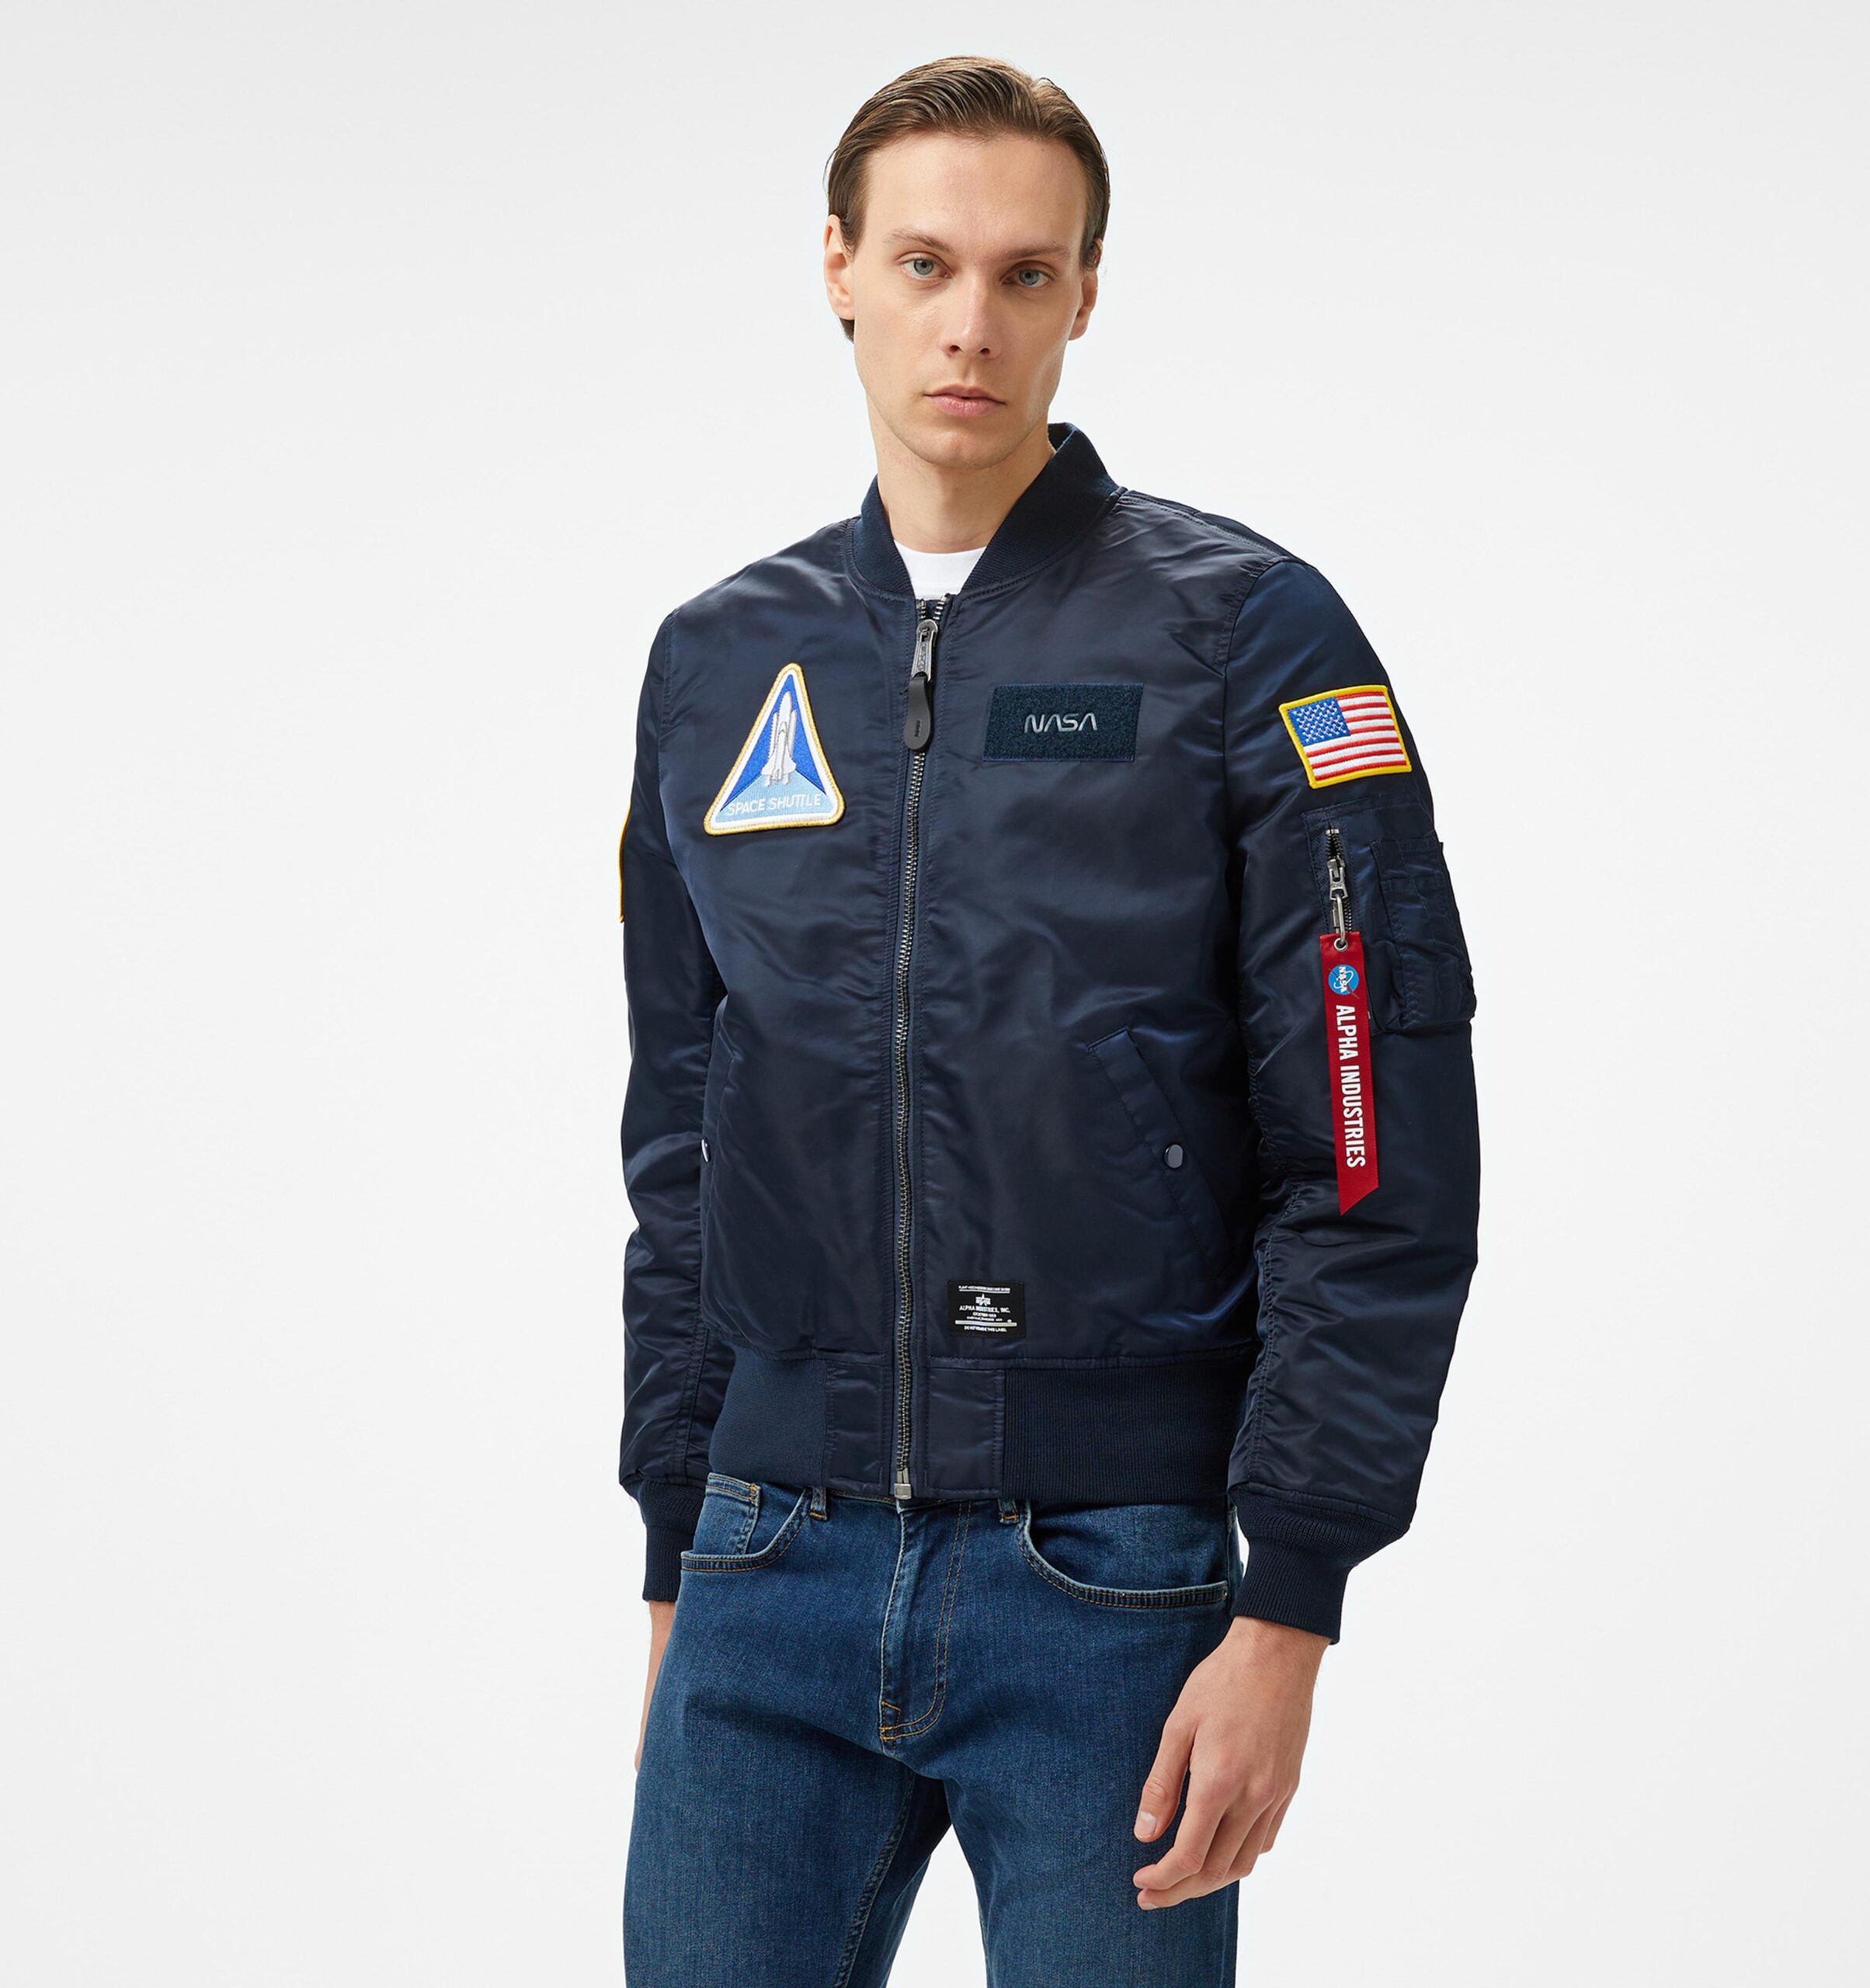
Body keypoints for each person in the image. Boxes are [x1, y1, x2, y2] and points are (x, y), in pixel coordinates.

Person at [614, 53, 1479, 1988]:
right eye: (924, 263)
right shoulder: (719, 662)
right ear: (836, 268)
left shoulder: (1247, 637)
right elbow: (681, 1136)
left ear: (1085, 292)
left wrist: (1289, 1600)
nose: (969, 324)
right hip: (761, 1566)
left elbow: (1370, 1142)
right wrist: (675, 1545)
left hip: (1108, 1585)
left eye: (1024, 273)